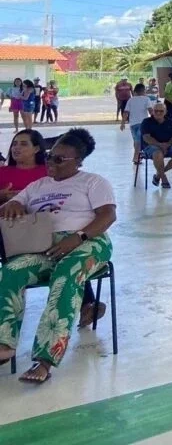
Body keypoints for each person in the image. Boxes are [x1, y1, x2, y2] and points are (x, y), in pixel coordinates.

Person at [0, 128, 116, 384]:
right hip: (45, 247)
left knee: (66, 274)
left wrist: (78, 238)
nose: (51, 163)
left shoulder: (93, 182)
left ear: (78, 161)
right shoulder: (37, 185)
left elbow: (107, 216)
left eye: (59, 159)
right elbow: (14, 203)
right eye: (51, 157)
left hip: (89, 242)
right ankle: (4, 343)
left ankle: (45, 359)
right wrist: (14, 204)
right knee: (11, 270)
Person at [140, 102, 172, 188]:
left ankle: (158, 175)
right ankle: (163, 178)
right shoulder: (146, 122)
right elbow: (146, 138)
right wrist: (160, 145)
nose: (158, 113)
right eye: (156, 111)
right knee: (158, 154)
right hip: (151, 147)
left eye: (161, 111)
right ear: (152, 111)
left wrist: (167, 145)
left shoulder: (170, 122)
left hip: (168, 145)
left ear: (165, 112)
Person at [120, 83, 152, 165]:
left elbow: (126, 112)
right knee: (138, 141)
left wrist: (123, 122)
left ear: (135, 91)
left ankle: (137, 157)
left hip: (133, 124)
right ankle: (136, 157)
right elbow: (150, 110)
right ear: (143, 90)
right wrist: (155, 120)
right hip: (143, 123)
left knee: (136, 141)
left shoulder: (130, 100)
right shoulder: (146, 99)